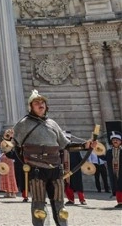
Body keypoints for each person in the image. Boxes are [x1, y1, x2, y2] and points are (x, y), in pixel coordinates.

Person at [10, 89, 97, 226]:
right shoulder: (23, 124)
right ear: (31, 107)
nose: (41, 105)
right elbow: (13, 145)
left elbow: (65, 145)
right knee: (39, 206)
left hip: (55, 168)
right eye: (37, 103)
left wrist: (85, 145)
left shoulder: (52, 123)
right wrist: (9, 143)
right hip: (36, 169)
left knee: (60, 206)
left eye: (43, 102)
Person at [61, 132, 85, 205]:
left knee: (78, 185)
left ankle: (82, 200)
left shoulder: (75, 148)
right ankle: (71, 200)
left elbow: (80, 159)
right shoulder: (60, 149)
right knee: (67, 185)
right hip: (64, 169)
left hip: (75, 169)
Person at [106, 131, 122, 208]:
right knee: (117, 187)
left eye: (117, 140)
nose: (115, 141)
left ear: (120, 141)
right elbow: (105, 159)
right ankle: (120, 202)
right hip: (114, 172)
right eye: (113, 140)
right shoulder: (109, 152)